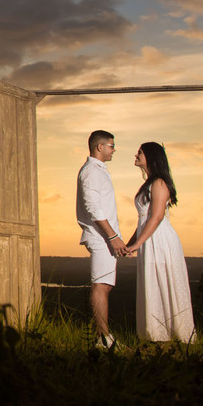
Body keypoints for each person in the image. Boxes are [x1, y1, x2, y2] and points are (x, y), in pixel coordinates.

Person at [125, 142, 196, 343]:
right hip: (149, 238)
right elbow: (144, 219)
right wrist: (130, 243)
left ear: (151, 156)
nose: (136, 154)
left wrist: (138, 243)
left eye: (140, 152)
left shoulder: (159, 183)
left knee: (162, 280)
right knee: (152, 281)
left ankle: (170, 335)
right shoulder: (149, 183)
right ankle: (155, 334)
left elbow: (156, 217)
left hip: (161, 240)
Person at [76, 129, 127, 348]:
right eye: (112, 146)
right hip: (100, 237)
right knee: (101, 285)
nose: (114, 150)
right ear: (100, 147)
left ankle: (104, 338)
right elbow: (93, 207)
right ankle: (103, 339)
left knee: (105, 285)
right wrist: (113, 236)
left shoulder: (98, 170)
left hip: (106, 237)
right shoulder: (91, 171)